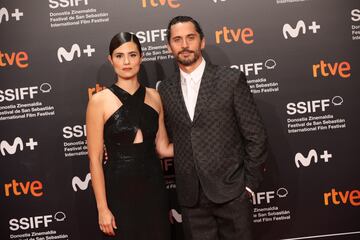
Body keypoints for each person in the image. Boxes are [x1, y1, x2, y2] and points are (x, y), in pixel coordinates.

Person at [158, 16, 268, 240]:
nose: (185, 45)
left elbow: (256, 137)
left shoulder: (230, 79)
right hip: (192, 201)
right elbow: (162, 138)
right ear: (169, 47)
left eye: (191, 37)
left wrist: (247, 187)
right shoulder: (165, 90)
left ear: (202, 41)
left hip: (232, 195)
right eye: (177, 40)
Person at [86, 32, 172, 240]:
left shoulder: (155, 96)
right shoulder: (99, 101)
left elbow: (163, 149)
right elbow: (95, 159)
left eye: (132, 55)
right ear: (110, 59)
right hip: (119, 190)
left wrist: (200, 143)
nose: (126, 62)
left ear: (141, 58)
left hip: (154, 189)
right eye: (119, 55)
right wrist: (102, 208)